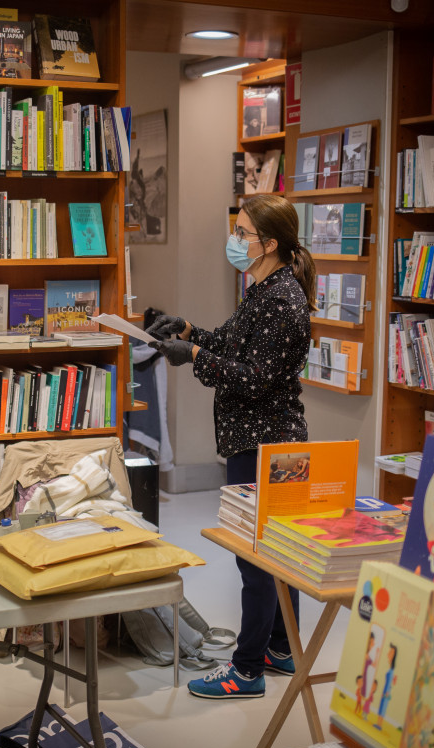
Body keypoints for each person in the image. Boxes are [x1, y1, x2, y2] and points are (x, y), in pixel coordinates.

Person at [146, 193, 316, 699]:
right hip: (261, 440)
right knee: (274, 554)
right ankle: (281, 648)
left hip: (266, 445)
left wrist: (193, 355)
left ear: (269, 243)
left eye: (242, 233)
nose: (234, 241)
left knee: (256, 558)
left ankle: (246, 671)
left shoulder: (283, 301)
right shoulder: (265, 289)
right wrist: (189, 330)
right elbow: (235, 343)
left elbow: (256, 378)